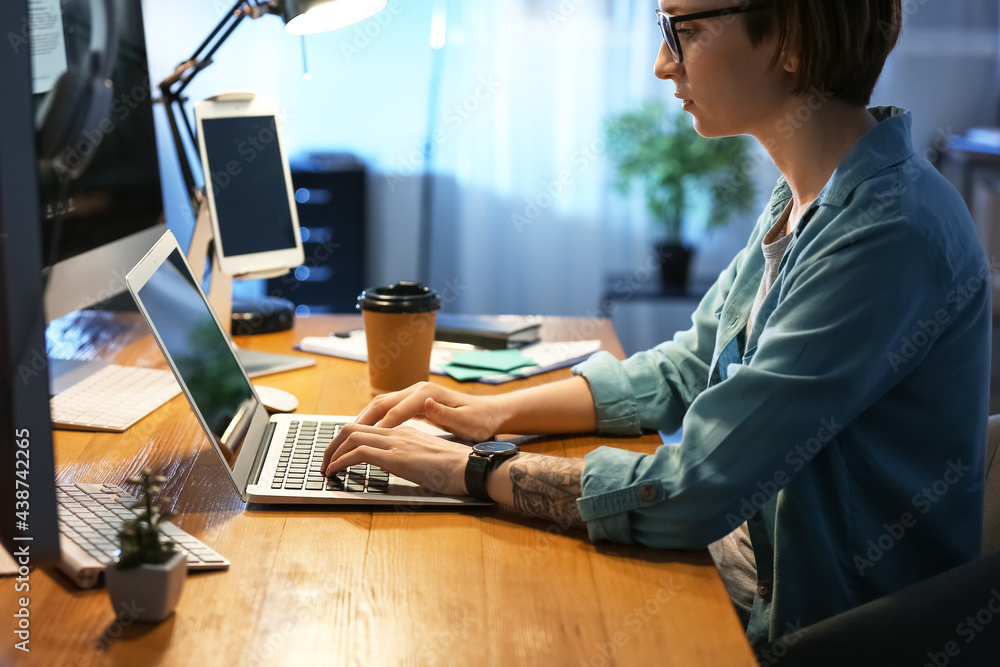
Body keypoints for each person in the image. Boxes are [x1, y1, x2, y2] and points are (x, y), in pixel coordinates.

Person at [323, 0, 991, 652]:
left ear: (788, 35)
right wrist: (488, 413)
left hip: (801, 625)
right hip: (733, 569)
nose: (660, 64)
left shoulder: (883, 232)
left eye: (685, 31)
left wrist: (470, 470)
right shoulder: (808, 197)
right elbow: (685, 366)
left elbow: (691, 491)